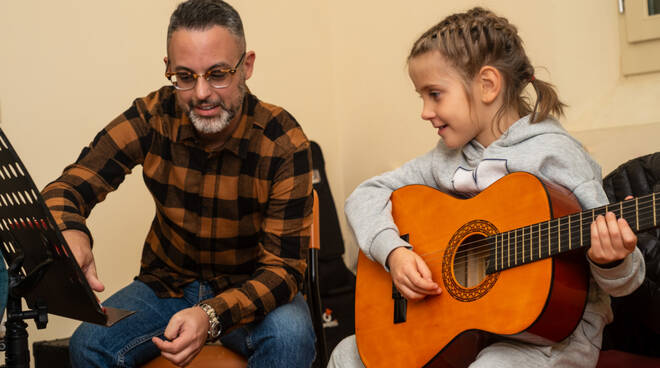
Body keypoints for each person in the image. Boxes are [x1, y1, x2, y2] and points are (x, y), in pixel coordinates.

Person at [328, 7, 645, 368]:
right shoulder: (445, 158)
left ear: (488, 85)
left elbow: (623, 282)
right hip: (460, 328)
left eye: (434, 94)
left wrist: (613, 259)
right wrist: (394, 252)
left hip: (551, 338)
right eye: (421, 96)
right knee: (346, 355)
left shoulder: (555, 156)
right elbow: (364, 195)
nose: (424, 111)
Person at [41, 0, 316, 367]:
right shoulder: (152, 116)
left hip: (251, 292)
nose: (201, 93)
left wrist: (211, 314)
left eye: (218, 73)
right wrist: (70, 230)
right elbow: (67, 188)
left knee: (290, 336)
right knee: (89, 344)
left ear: (246, 66)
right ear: (169, 69)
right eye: (185, 77)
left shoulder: (284, 141)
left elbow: (284, 272)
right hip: (165, 287)